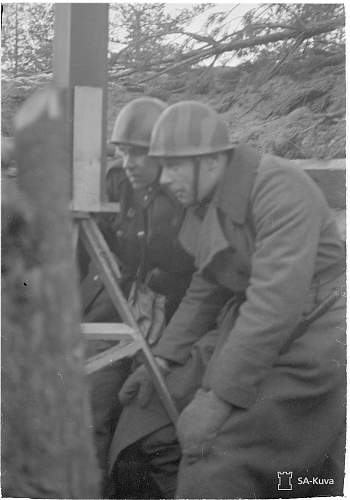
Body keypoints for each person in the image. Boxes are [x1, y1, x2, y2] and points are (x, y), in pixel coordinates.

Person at [112, 101, 346, 498]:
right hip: (245, 325)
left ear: (212, 160)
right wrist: (163, 362)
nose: (165, 179)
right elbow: (208, 286)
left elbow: (274, 304)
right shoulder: (204, 202)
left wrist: (218, 400)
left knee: (215, 452)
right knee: (145, 420)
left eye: (174, 166)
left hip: (312, 333)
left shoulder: (280, 188)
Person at [80, 97, 194, 496]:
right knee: (91, 404)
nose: (128, 162)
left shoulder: (187, 199)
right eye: (122, 152)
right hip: (130, 310)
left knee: (143, 432)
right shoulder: (119, 182)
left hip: (178, 322)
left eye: (138, 153)